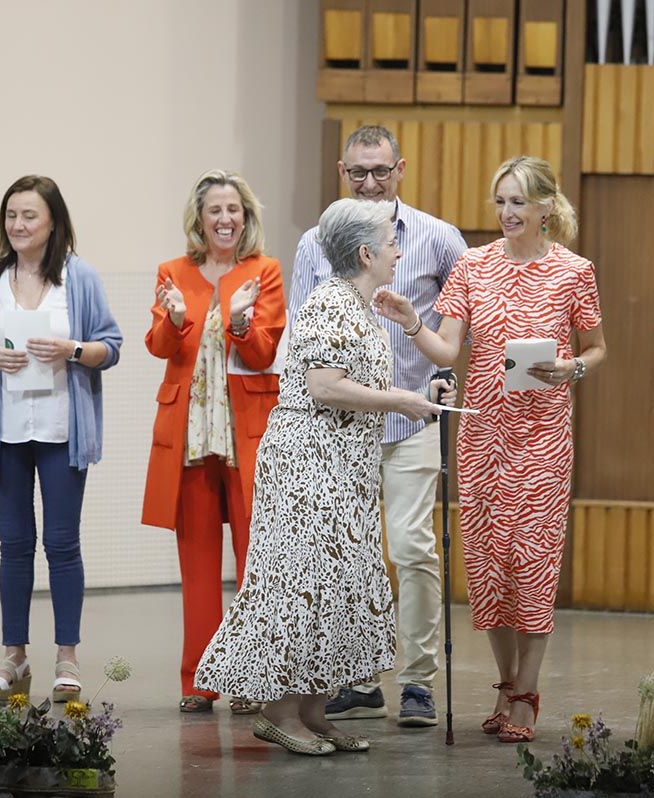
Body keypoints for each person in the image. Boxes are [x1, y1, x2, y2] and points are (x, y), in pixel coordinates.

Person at [194, 198, 442, 755]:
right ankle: (279, 713)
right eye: (389, 240)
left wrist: (413, 396)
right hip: (309, 464)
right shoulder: (330, 304)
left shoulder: (360, 304)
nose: (398, 249)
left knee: (333, 588)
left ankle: (313, 711)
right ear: (364, 252)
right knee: (299, 586)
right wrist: (402, 399)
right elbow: (324, 385)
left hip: (343, 465)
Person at [375, 155, 607, 743]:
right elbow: (447, 351)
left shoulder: (574, 271)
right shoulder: (473, 267)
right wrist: (409, 321)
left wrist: (572, 366)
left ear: (545, 208)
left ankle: (526, 693)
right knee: (488, 569)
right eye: (500, 201)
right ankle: (507, 683)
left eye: (519, 202)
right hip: (483, 435)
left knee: (533, 563)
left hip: (544, 437)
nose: (506, 212)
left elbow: (598, 347)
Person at [290, 124, 467, 727]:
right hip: (342, 428)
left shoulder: (440, 239)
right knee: (351, 552)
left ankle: (416, 680)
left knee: (413, 546)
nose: (369, 183)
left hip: (412, 418)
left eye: (381, 171)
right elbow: (301, 337)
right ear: (342, 171)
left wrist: (425, 360)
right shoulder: (317, 240)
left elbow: (455, 336)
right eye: (357, 172)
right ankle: (357, 675)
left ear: (401, 170)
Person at [0, 175, 122, 703]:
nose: (18, 225)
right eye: (11, 216)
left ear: (52, 222)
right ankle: (15, 657)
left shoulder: (80, 278)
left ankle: (66, 658)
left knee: (62, 545)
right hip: (5, 434)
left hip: (60, 430)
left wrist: (72, 349)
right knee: (15, 545)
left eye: (29, 215)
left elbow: (110, 347)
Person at [141, 170, 285, 715]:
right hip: (191, 435)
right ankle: (198, 679)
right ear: (199, 219)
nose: (226, 219)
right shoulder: (172, 272)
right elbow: (159, 346)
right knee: (197, 563)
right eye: (215, 211)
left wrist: (244, 321)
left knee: (255, 562)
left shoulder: (263, 272)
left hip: (248, 434)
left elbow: (265, 354)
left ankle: (251, 678)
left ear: (246, 218)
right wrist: (175, 318)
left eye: (234, 210)